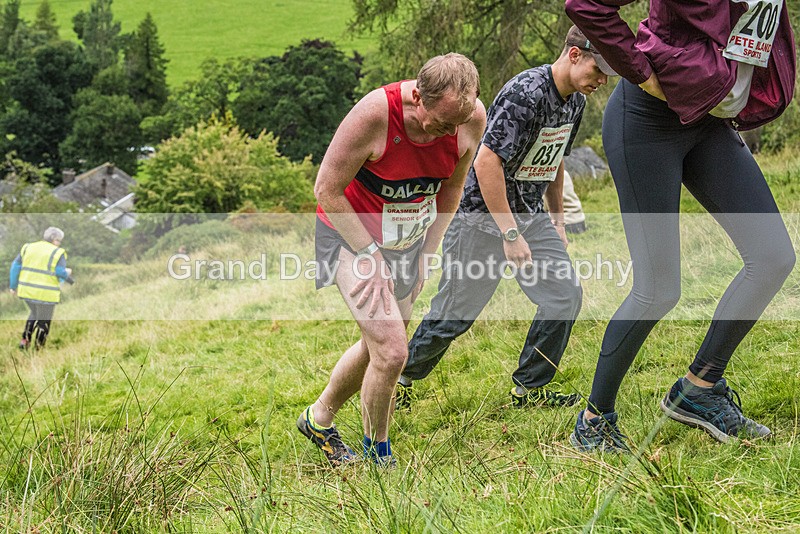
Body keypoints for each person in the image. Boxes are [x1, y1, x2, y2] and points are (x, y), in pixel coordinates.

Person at [566, 0, 796, 451]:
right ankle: (594, 419)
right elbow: (587, 5)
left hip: (707, 121)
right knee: (658, 288)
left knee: (773, 257)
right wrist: (641, 72)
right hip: (646, 122)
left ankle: (699, 389)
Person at [396, 26, 616, 411]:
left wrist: (558, 220)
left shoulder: (575, 102)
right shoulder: (526, 93)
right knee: (455, 315)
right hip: (480, 222)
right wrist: (509, 233)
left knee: (564, 297)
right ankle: (399, 377)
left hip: (530, 218)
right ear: (575, 55)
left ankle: (529, 389)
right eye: (599, 70)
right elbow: (486, 162)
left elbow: (555, 158)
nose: (602, 81)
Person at [297, 54, 486, 467]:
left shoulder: (470, 119)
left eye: (458, 123)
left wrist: (427, 255)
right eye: (439, 124)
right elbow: (326, 189)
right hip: (349, 234)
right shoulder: (375, 115)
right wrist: (368, 254)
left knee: (379, 344)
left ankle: (319, 417)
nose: (449, 133)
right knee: (393, 351)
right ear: (417, 96)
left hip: (408, 241)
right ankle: (378, 455)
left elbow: (450, 191)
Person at [9, 227, 74, 350]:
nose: (59, 243)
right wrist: (68, 275)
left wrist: (13, 286)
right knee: (44, 321)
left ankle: (25, 340)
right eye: (59, 241)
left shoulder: (28, 247)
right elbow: (59, 271)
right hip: (46, 294)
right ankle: (39, 348)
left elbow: (15, 267)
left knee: (34, 313)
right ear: (54, 239)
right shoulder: (57, 252)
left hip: (27, 291)